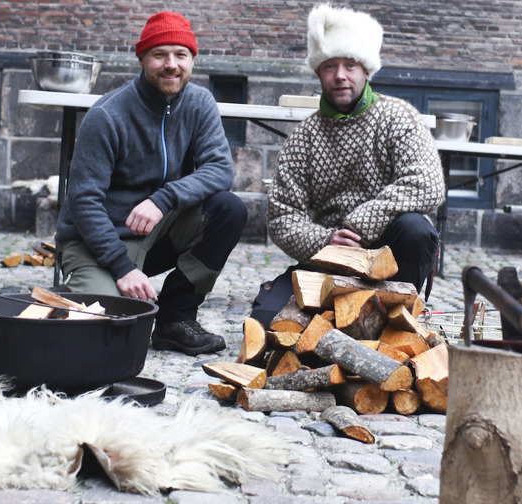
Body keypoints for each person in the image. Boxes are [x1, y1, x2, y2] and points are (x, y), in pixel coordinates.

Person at [55, 11, 246, 356]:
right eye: (159, 54)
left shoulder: (200, 103)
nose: (170, 64)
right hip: (96, 242)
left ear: (192, 60)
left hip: (155, 232)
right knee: (102, 331)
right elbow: (83, 201)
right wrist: (121, 267)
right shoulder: (107, 115)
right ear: (142, 58)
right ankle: (88, 293)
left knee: (228, 209)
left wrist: (163, 199)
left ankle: (174, 320)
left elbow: (220, 169)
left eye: (180, 55)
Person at [250, 3, 446, 327]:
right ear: (318, 72)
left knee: (417, 230)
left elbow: (427, 182)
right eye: (330, 66)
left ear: (366, 70)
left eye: (350, 65)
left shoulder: (398, 117)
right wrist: (326, 240)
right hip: (329, 260)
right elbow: (283, 218)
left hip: (390, 256)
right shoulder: (304, 138)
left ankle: (396, 312)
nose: (340, 75)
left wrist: (361, 222)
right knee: (266, 323)